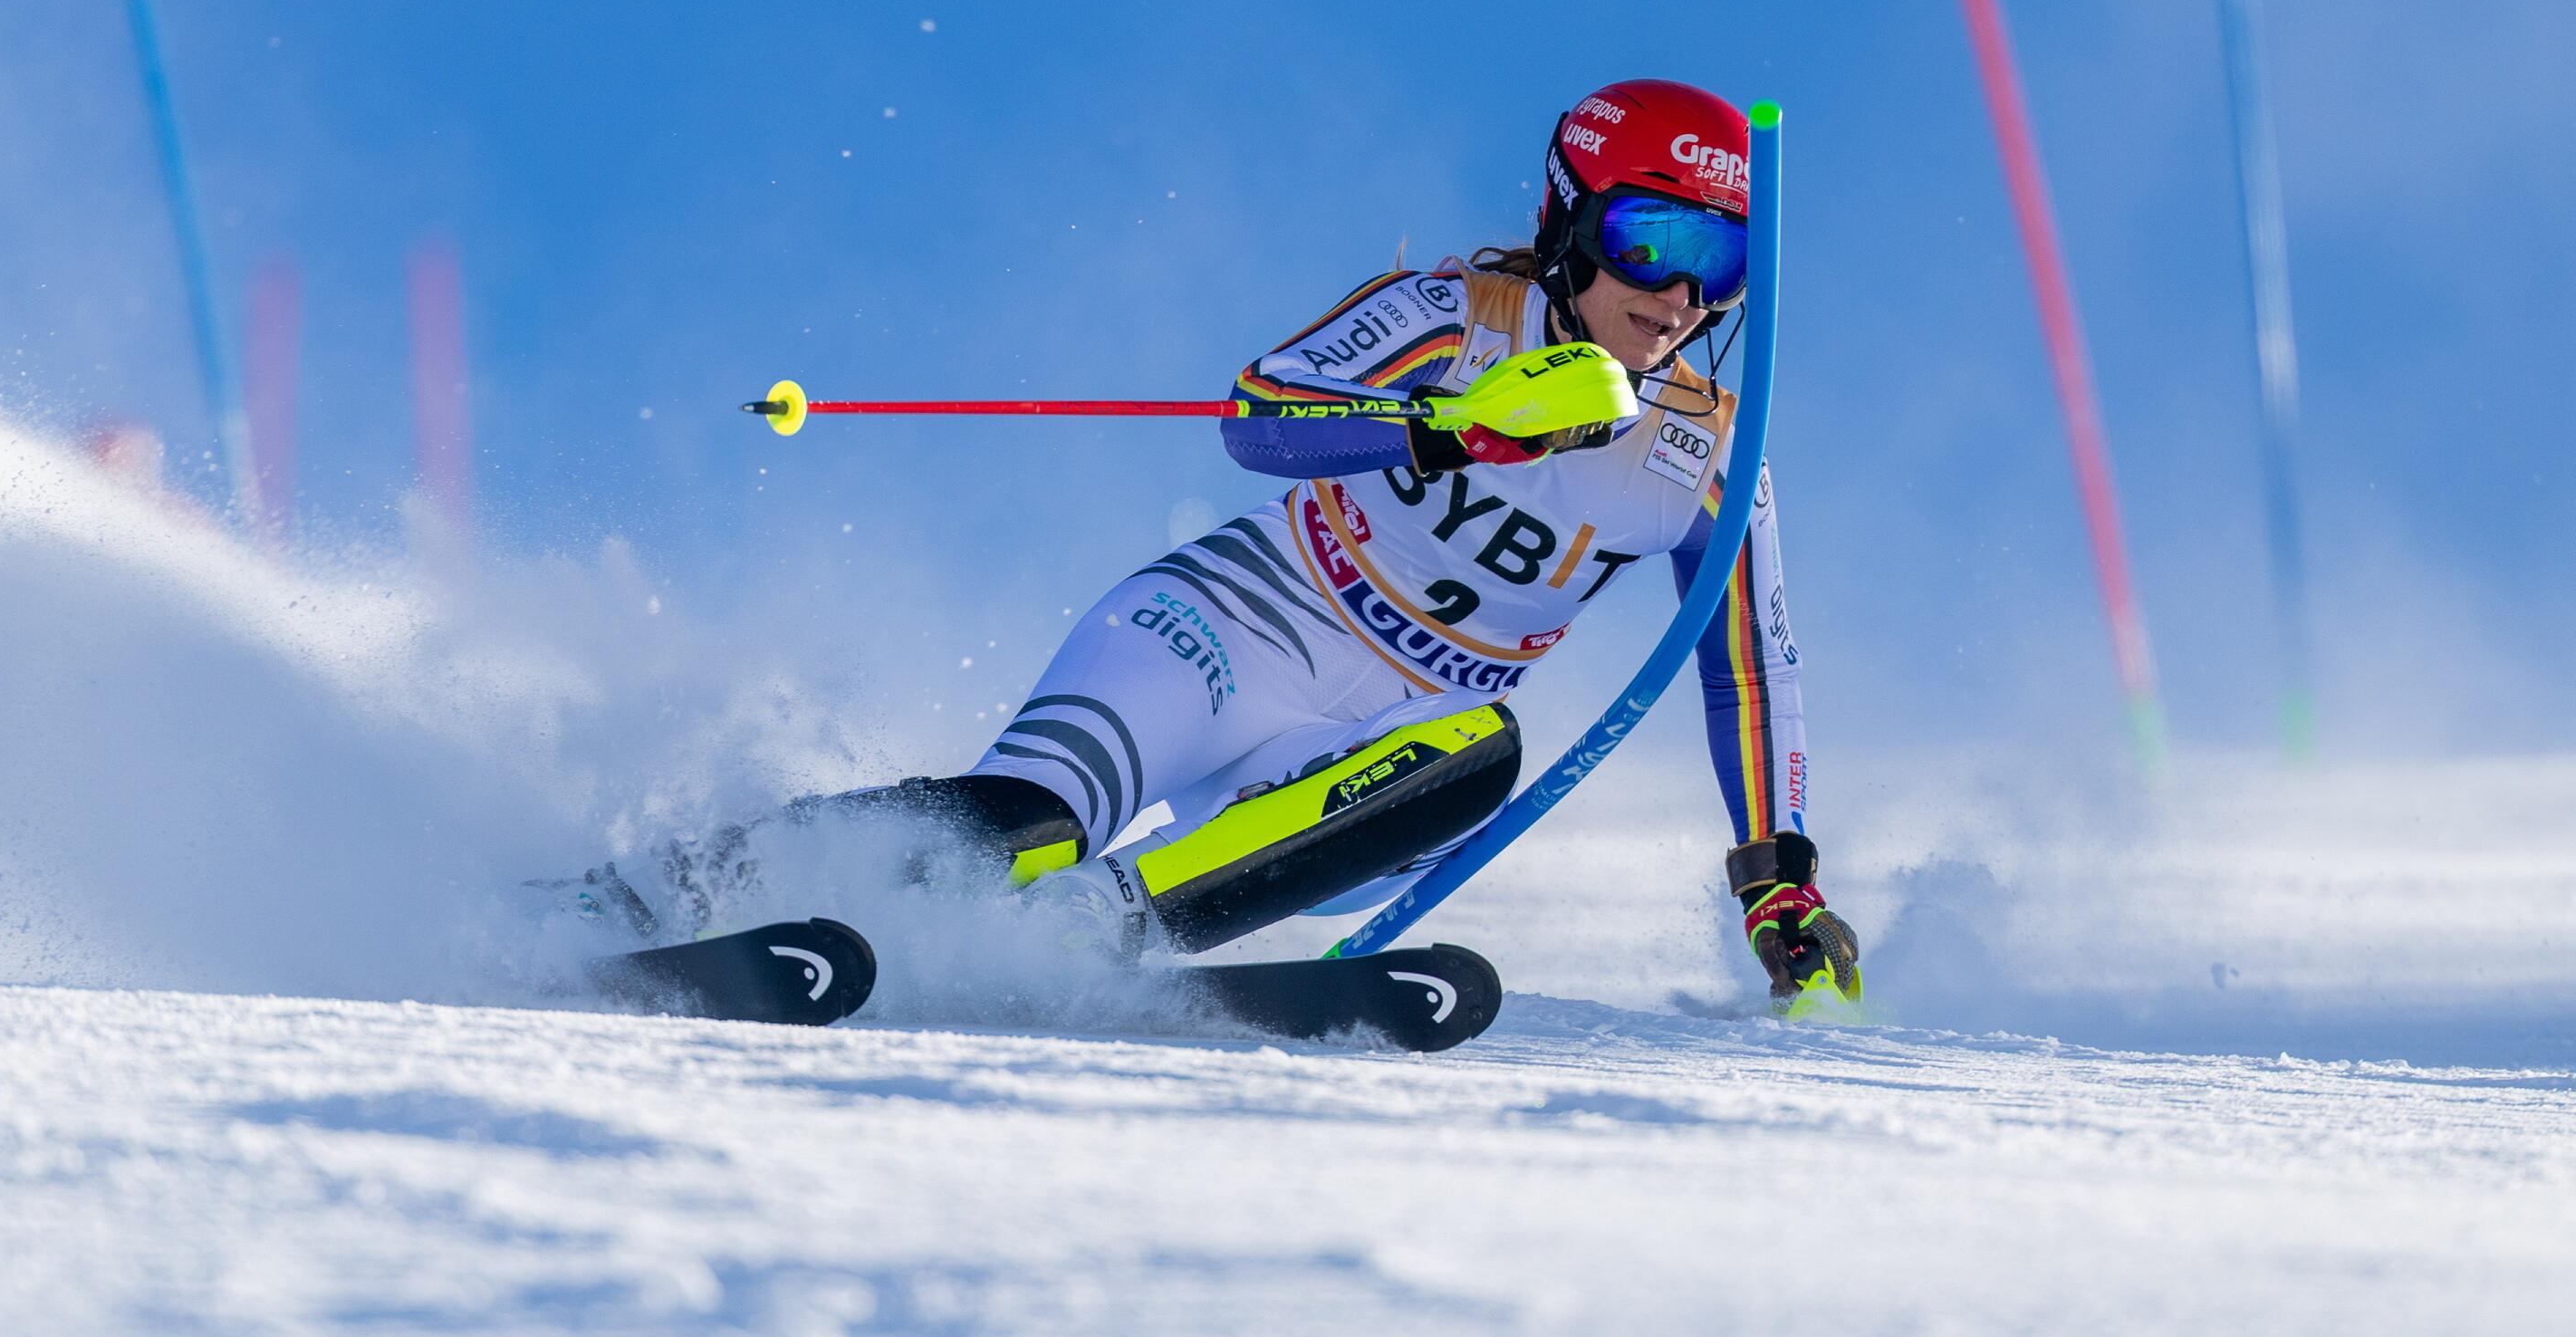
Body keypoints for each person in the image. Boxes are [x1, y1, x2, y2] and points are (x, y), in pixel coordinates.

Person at [592, 80, 1858, 1009]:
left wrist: (1777, 879)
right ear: (1575, 223)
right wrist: (1448, 430)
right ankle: (666, 890)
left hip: (1373, 756)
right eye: (1656, 241)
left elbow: (1748, 668)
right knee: (1030, 819)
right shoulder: (1454, 318)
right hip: (1227, 631)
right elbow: (1260, 418)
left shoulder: (1711, 453)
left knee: (1484, 753)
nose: (1681, 295)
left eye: (1720, 262)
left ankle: (1095, 933)